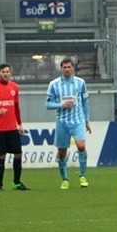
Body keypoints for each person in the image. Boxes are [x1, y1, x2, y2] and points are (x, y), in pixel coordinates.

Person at [45, 57, 91, 189]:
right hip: (62, 121)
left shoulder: (80, 83)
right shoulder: (54, 84)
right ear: (61, 68)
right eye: (64, 67)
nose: (67, 69)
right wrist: (62, 104)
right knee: (62, 151)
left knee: (81, 145)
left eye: (69, 67)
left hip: (78, 120)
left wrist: (87, 120)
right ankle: (64, 178)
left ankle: (82, 176)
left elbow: (85, 102)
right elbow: (47, 104)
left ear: (72, 68)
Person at [0, 63, 28, 192]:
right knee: (1, 156)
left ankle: (16, 183)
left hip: (12, 128)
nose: (5, 74)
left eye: (7, 71)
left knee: (18, 154)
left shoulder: (15, 87)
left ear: (10, 73)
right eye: (3, 72)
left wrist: (20, 124)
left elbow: (16, 107)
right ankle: (0, 185)